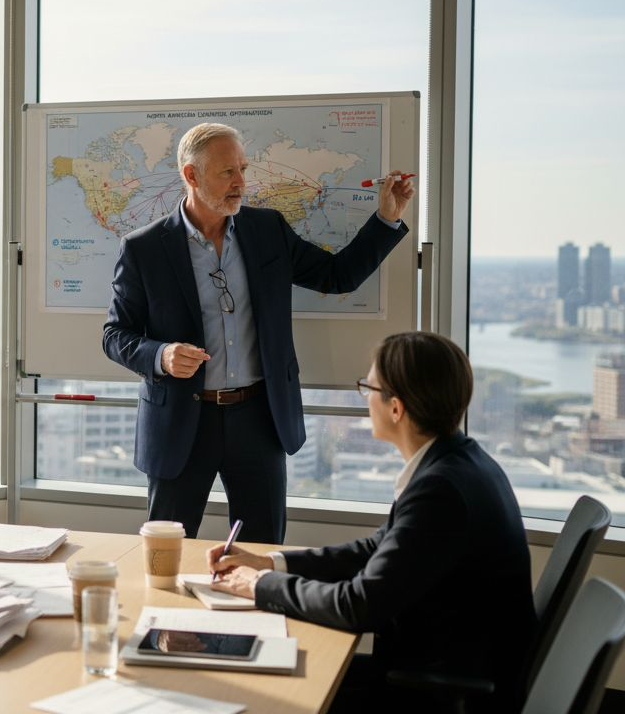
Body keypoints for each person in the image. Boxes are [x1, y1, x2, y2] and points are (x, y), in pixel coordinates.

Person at [101, 122, 412, 543]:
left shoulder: (268, 231)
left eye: (243, 169)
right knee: (167, 552)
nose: (241, 183)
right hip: (180, 423)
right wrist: (161, 354)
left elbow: (337, 277)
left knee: (262, 551)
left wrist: (386, 218)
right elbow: (115, 334)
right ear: (191, 175)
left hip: (259, 418)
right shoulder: (144, 248)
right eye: (227, 172)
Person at [208, 332, 534, 712]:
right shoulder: (460, 461)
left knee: (262, 691)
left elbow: (358, 606)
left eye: (368, 387)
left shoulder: (439, 491)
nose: (365, 399)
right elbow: (376, 548)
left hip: (437, 689)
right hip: (445, 665)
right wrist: (270, 563)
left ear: (395, 408)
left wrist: (263, 586)